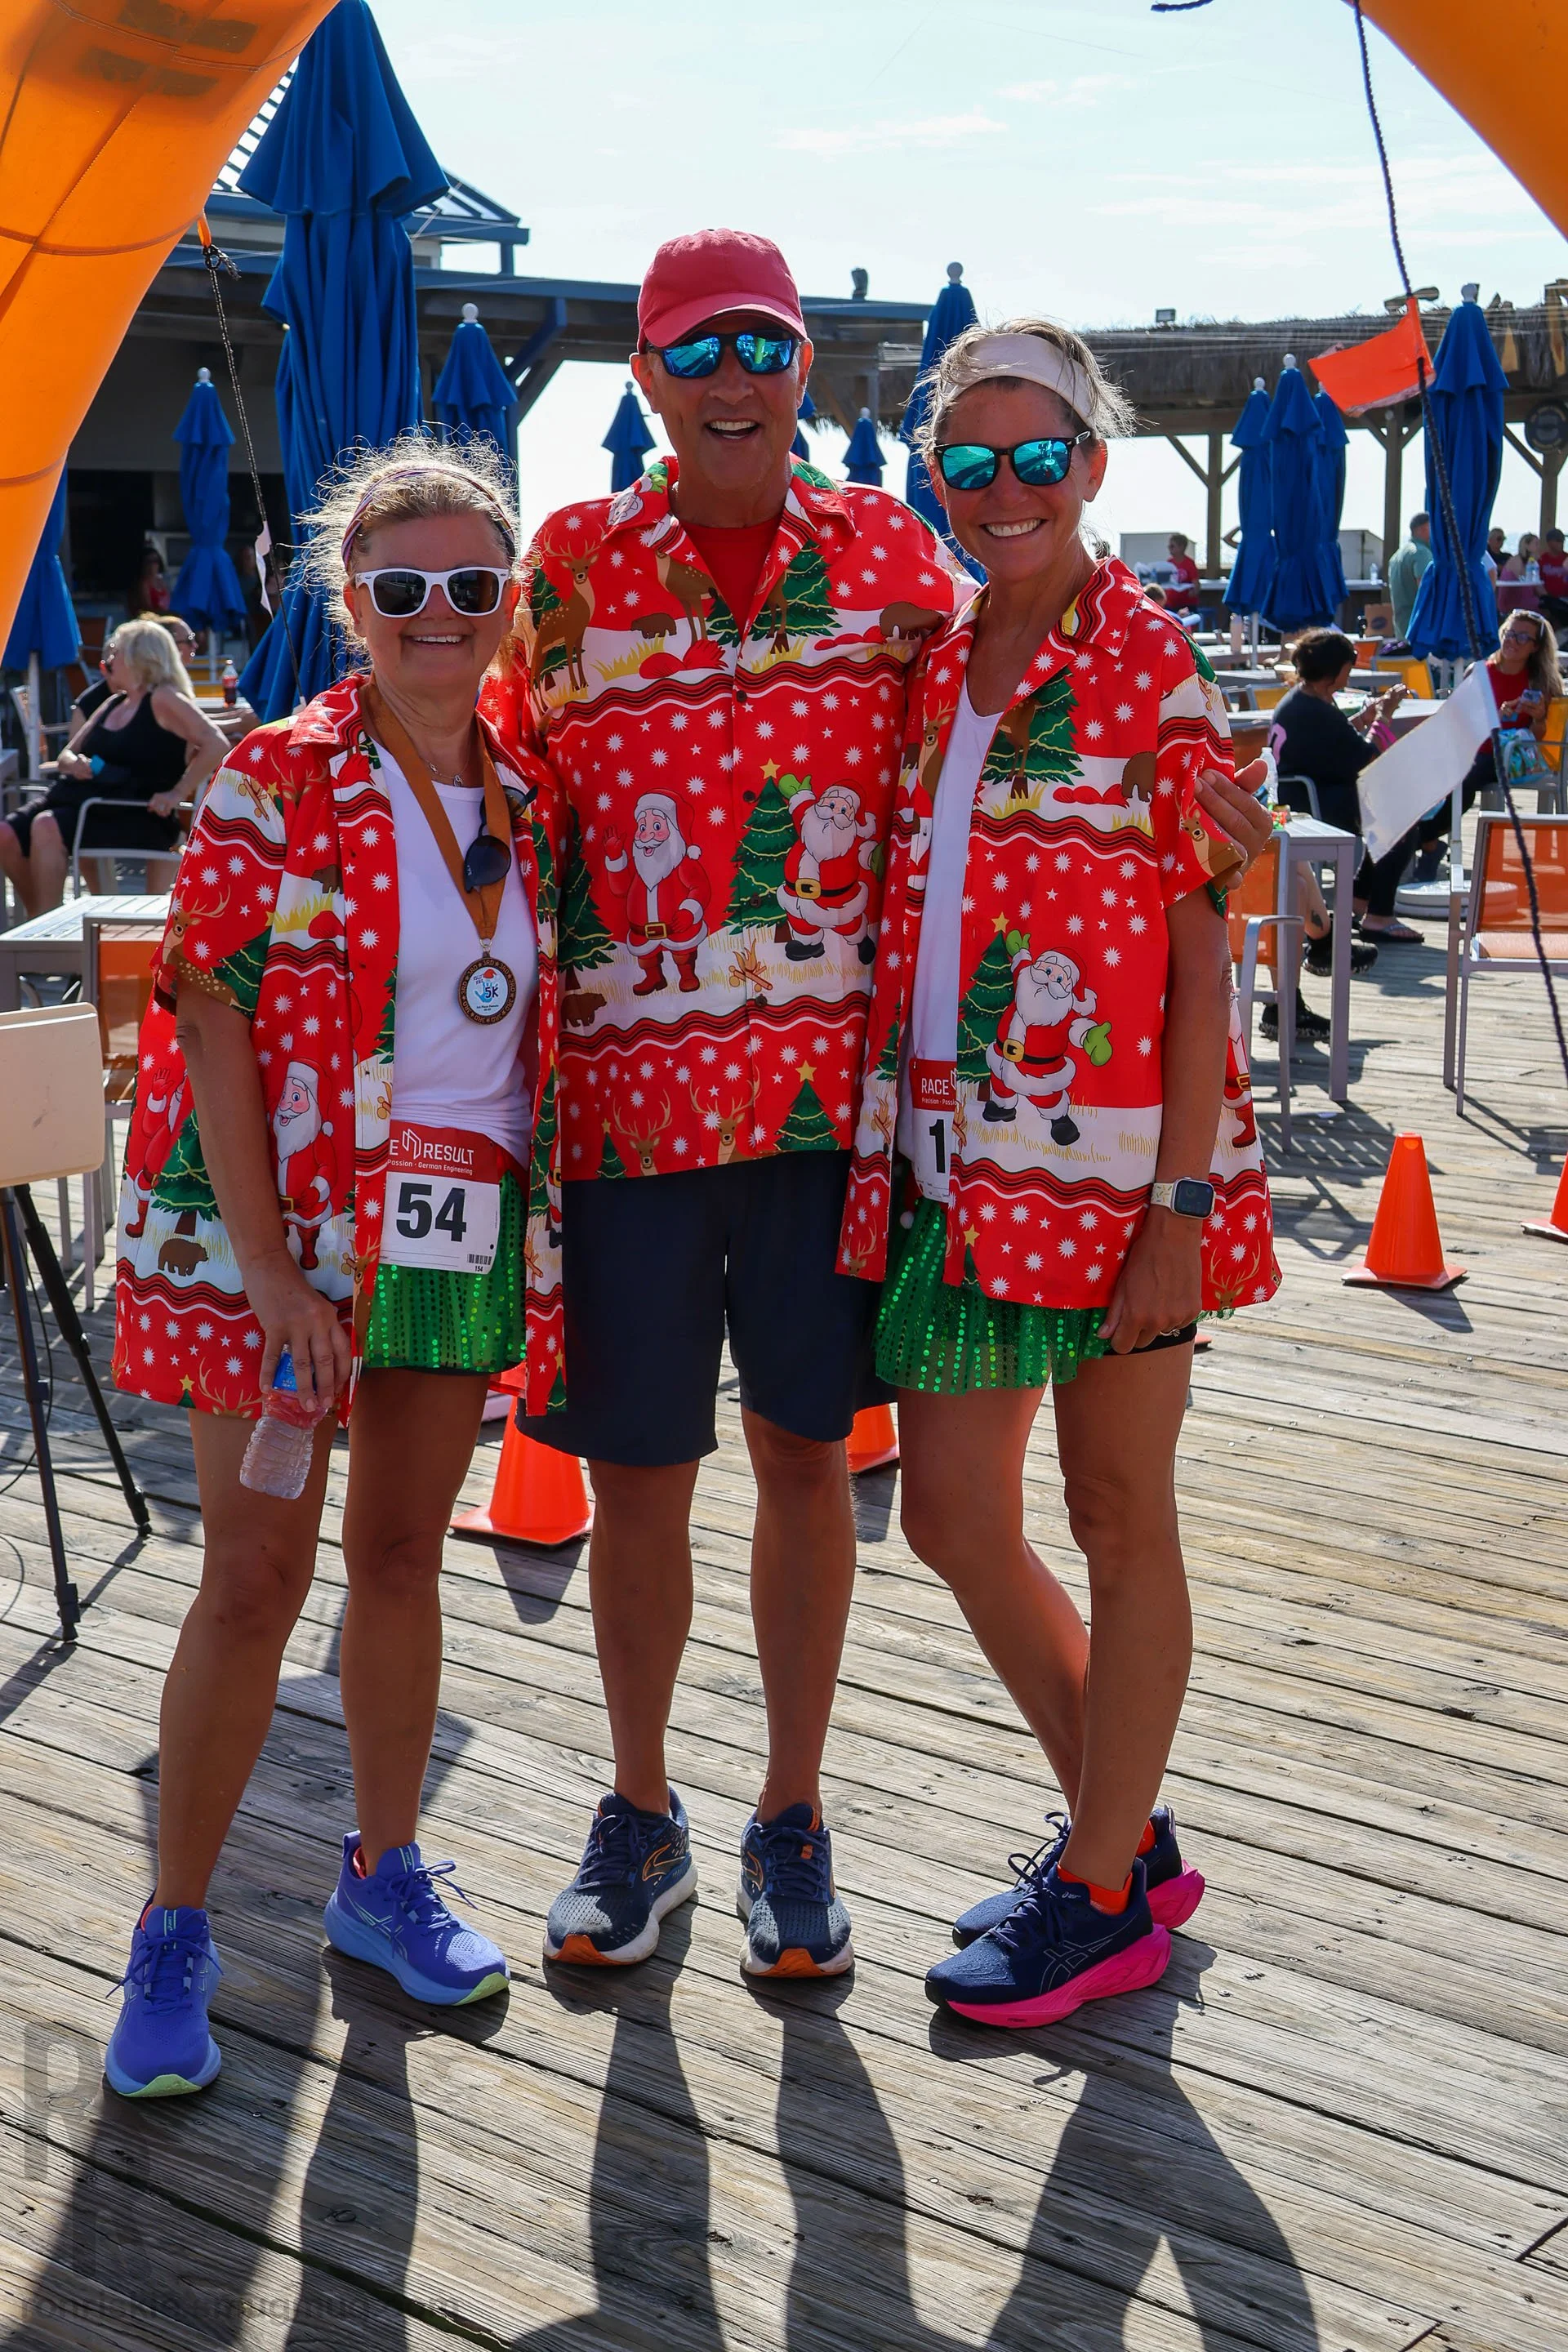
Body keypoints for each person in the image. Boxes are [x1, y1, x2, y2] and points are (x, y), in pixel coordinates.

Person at [485, 229, 1273, 1984]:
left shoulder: (911, 575)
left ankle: (807, 1820)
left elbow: (1197, 892)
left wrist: (1191, 1182)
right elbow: (488, 773)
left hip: (855, 1138)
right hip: (662, 1124)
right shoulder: (575, 570)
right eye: (698, 351)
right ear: (645, 376)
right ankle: (655, 1813)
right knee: (672, 1484)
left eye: (763, 345)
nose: (736, 378)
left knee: (839, 1473)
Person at [835, 316, 1280, 2028]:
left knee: (1115, 1512)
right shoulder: (935, 661)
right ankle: (1123, 1828)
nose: (1004, 489)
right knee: (953, 1514)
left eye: (1038, 458)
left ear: (1092, 464)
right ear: (935, 474)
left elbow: (1202, 960)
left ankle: (1100, 1893)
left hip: (1119, 1178)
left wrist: (1180, 1210)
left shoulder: (1149, 661)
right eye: (971, 460)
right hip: (953, 1164)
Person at [105, 444, 562, 2097]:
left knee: (400, 1562)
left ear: (511, 601)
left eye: (471, 584)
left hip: (456, 1219)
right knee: (252, 1578)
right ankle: (173, 1927)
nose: (439, 612)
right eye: (401, 587)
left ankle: (383, 1875)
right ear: (349, 602)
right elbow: (207, 1017)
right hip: (280, 1230)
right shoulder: (276, 777)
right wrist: (275, 1271)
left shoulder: (535, 784)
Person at [0, 618, 227, 916]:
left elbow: (216, 743)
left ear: (138, 657)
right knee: (5, 833)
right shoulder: (115, 701)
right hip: (81, 797)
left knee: (46, 826)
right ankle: (39, 920)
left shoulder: (163, 697)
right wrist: (75, 763)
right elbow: (67, 753)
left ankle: (45, 931)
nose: (108, 660)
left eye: (116, 652)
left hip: (133, 809)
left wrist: (177, 793)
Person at [1271, 629, 1423, 942]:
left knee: (1392, 815)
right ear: (1334, 670)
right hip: (1313, 804)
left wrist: (1364, 719)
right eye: (1348, 669)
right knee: (1400, 820)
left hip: (1298, 796)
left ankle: (1359, 899)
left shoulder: (1302, 700)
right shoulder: (1316, 710)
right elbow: (1366, 758)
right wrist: (1384, 716)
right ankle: (1378, 915)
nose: (1349, 675)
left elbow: (1332, 741)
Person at [1411, 608, 1561, 883]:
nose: (1512, 641)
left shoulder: (1539, 682)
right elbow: (1458, 718)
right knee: (1425, 769)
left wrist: (1539, 718)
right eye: (1510, 634)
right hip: (1470, 747)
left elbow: (1538, 739)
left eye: (1522, 637)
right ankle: (1427, 844)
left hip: (1509, 756)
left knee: (1465, 779)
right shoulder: (1479, 672)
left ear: (1535, 647)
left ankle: (1414, 841)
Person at [1387, 512, 1431, 640]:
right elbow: (1427, 593)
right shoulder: (1421, 553)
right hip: (1420, 631)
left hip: (1402, 630)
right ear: (1424, 528)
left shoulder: (1397, 556)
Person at [1538, 528, 1568, 632]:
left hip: (1565, 599)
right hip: (1549, 600)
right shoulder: (1542, 560)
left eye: (1563, 540)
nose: (1562, 543)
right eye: (1558, 540)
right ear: (1550, 542)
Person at [131, 544, 172, 616]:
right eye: (148, 562)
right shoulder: (143, 584)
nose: (153, 565)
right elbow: (148, 609)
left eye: (155, 561)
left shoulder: (161, 581)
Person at [1165, 531, 1200, 613]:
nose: (1169, 548)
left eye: (1172, 546)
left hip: (1187, 605)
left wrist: (1194, 591)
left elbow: (1196, 584)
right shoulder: (1169, 563)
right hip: (1170, 604)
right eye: (1169, 546)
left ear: (1181, 547)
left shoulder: (1189, 563)